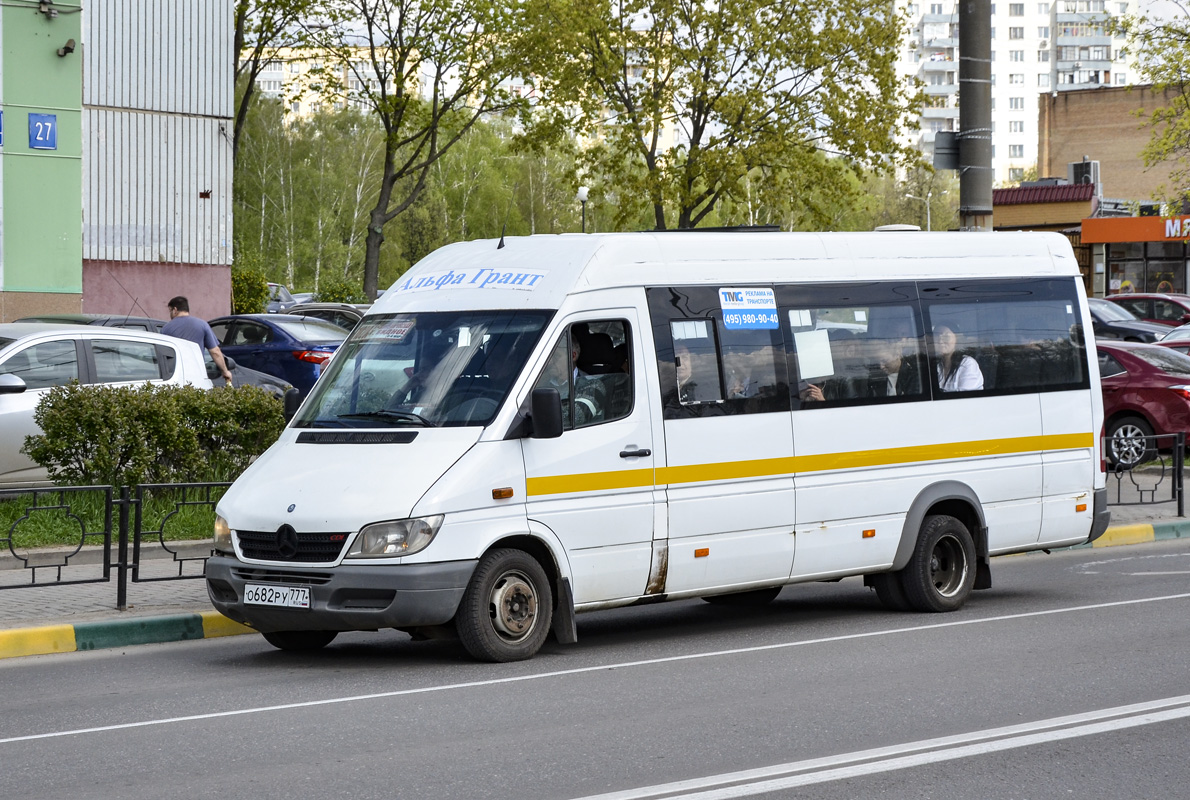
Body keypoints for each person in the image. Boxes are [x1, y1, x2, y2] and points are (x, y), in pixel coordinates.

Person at [161, 296, 233, 384]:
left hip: (174, 375)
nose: (170, 314)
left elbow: (162, 355)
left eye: (170, 311)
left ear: (175, 310)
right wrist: (225, 371)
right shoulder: (202, 325)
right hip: (197, 374)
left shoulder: (166, 328)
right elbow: (215, 352)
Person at [934, 324, 983, 392]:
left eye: (946, 337)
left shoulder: (967, 363)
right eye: (937, 337)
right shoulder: (936, 365)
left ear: (957, 339)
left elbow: (965, 396)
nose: (940, 341)